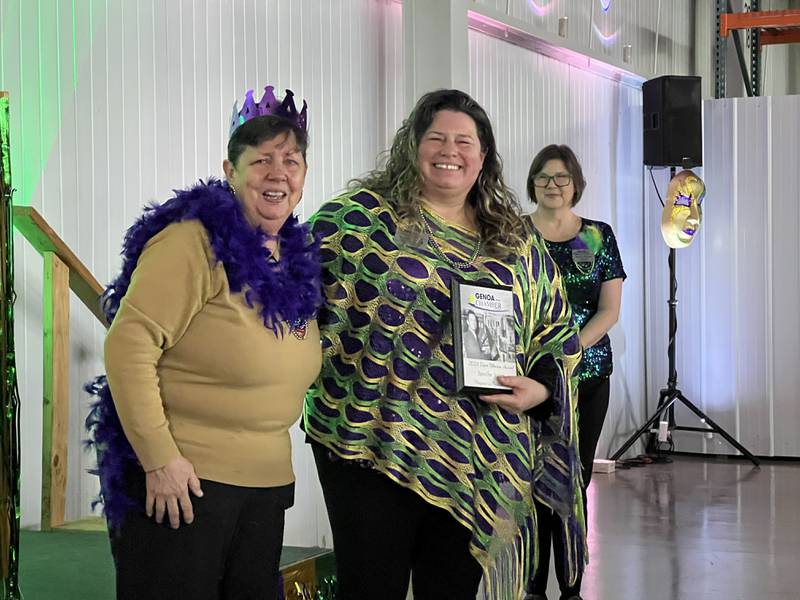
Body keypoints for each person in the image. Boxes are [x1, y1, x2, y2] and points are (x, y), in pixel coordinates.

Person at [304, 89, 586, 600]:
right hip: (368, 446)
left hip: (475, 453)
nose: (449, 150)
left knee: (450, 590)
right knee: (369, 589)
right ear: (412, 147)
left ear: (483, 157)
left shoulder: (514, 242)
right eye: (436, 137)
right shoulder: (357, 221)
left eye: (464, 141)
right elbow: (290, 297)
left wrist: (540, 391)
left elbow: (557, 333)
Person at [85, 86, 322, 600]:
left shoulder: (295, 258)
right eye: (261, 160)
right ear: (230, 169)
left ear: (303, 177)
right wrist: (159, 459)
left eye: (292, 160)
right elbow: (130, 344)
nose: (278, 173)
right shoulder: (194, 240)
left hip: (263, 486)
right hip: (186, 484)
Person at [525, 144, 626, 600]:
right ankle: (531, 587)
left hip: (585, 376)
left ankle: (570, 587)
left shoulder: (593, 237)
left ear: (575, 184)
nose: (553, 185)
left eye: (561, 178)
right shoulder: (515, 235)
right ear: (533, 183)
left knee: (572, 479)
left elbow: (608, 310)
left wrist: (569, 348)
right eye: (544, 177)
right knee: (528, 479)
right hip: (526, 380)